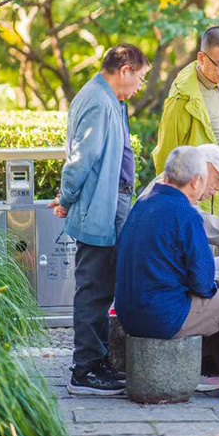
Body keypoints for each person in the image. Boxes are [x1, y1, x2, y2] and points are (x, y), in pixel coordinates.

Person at [115, 146, 219, 401]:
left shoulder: (142, 203)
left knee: (203, 299)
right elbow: (202, 281)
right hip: (160, 317)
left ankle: (201, 371)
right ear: (195, 181)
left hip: (127, 314)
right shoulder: (186, 214)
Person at [50, 44, 150, 396]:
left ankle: (99, 360)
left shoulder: (111, 100)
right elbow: (81, 159)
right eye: (139, 76)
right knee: (93, 288)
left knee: (104, 285)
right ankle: (85, 370)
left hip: (111, 205)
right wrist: (66, 198)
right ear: (124, 69)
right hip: (99, 207)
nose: (140, 85)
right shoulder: (97, 99)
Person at [153, 26, 219, 225]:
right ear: (202, 58)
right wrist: (170, 201)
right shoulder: (183, 97)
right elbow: (166, 152)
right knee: (210, 252)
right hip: (200, 194)